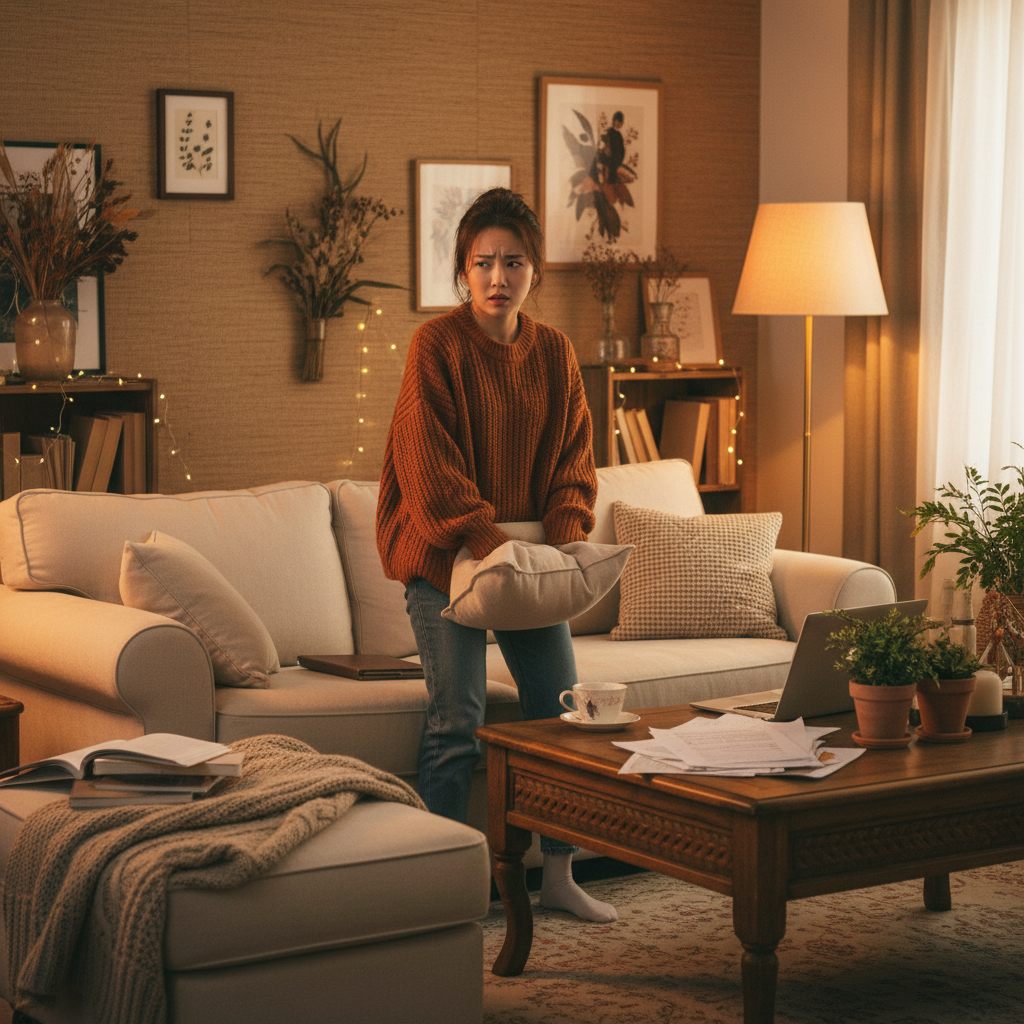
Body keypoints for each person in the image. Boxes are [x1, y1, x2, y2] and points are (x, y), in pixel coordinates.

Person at [376, 188, 616, 923]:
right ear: (462, 272)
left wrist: (566, 540)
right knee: (459, 721)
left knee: (562, 713)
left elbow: (574, 464)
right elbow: (428, 469)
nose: (497, 276)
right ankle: (441, 891)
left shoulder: (553, 352)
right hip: (445, 555)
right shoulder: (435, 346)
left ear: (534, 271)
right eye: (483, 262)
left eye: (513, 261)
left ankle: (561, 874)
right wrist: (492, 545)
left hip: (526, 561)